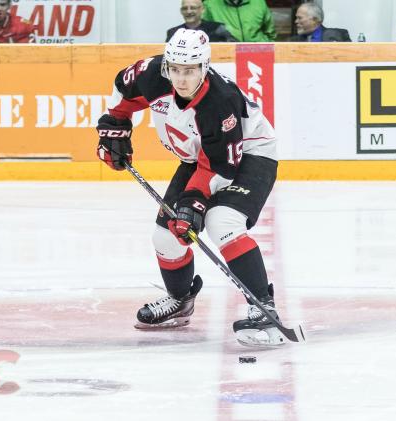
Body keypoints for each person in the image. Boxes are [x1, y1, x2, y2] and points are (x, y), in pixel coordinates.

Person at [96, 29, 283, 347]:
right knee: (166, 236)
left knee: (221, 221)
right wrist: (115, 127)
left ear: (204, 67)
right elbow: (123, 90)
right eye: (176, 70)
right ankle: (180, 300)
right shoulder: (153, 73)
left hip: (249, 156)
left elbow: (222, 166)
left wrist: (193, 203)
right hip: (200, 160)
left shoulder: (219, 102)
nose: (181, 79)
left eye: (190, 70)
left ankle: (263, 307)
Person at [202, 0, 276, 42]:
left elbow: (270, 33)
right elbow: (202, 33)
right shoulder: (210, 4)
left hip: (259, 54)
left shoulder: (258, 2)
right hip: (225, 57)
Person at [166, 0, 235, 42]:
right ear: (181, 11)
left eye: (193, 8)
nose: (189, 11)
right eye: (184, 8)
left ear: (202, 10)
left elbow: (234, 47)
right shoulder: (173, 33)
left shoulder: (217, 29)